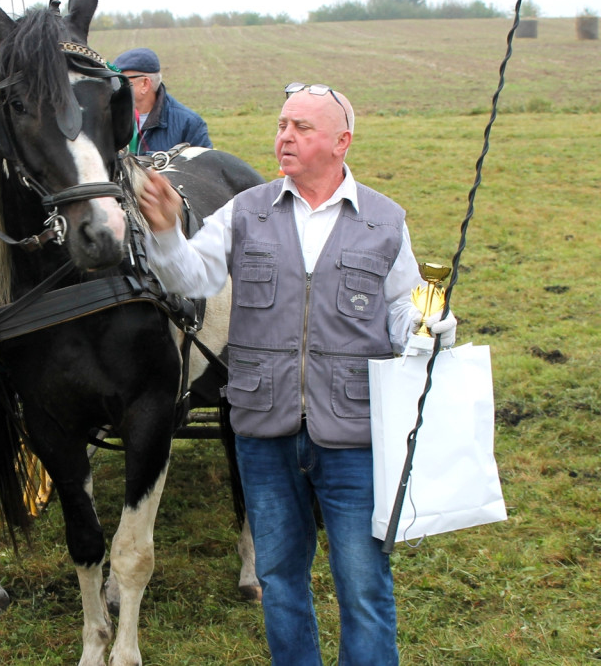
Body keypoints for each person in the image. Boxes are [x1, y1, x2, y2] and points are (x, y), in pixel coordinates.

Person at [137, 82, 457, 665]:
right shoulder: (245, 210)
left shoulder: (386, 221)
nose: (284, 136)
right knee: (280, 582)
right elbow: (191, 278)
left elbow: (400, 308)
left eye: (301, 128)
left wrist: (429, 323)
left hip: (353, 436)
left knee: (363, 587)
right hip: (264, 431)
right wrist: (164, 233)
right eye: (282, 125)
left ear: (342, 142)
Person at [112, 47, 212, 154]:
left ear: (145, 84)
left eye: (121, 80)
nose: (114, 86)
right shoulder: (109, 117)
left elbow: (204, 168)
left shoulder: (189, 124)